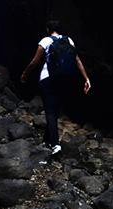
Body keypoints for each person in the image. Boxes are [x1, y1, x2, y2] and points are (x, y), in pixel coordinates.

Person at [20, 20, 91, 155]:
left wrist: (25, 74)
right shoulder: (69, 40)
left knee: (50, 112)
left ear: (48, 29)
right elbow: (77, 60)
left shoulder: (45, 41)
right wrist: (86, 79)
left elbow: (34, 62)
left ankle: (55, 144)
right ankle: (47, 140)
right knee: (56, 111)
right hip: (65, 80)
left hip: (48, 79)